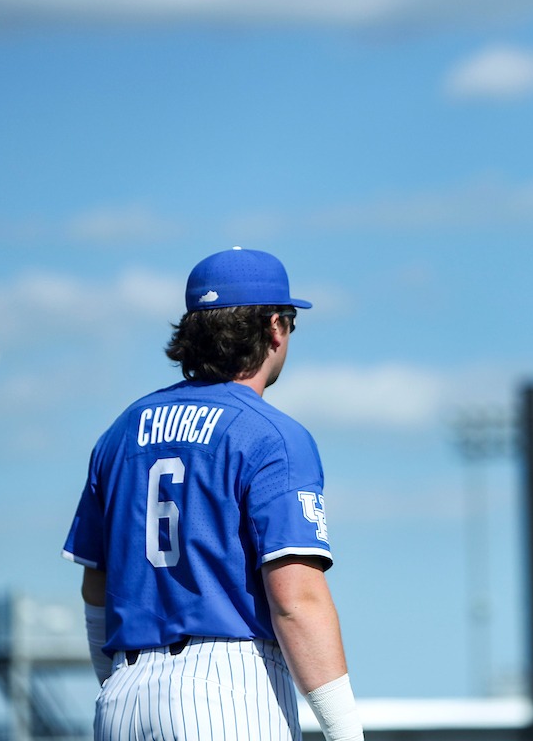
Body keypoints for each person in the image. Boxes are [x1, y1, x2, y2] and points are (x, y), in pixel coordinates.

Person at [62, 248, 364, 741]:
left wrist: (117, 681)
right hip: (227, 689)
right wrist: (346, 732)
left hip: (122, 695)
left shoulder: (121, 432)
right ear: (274, 327)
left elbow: (96, 589)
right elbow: (296, 601)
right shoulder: (272, 434)